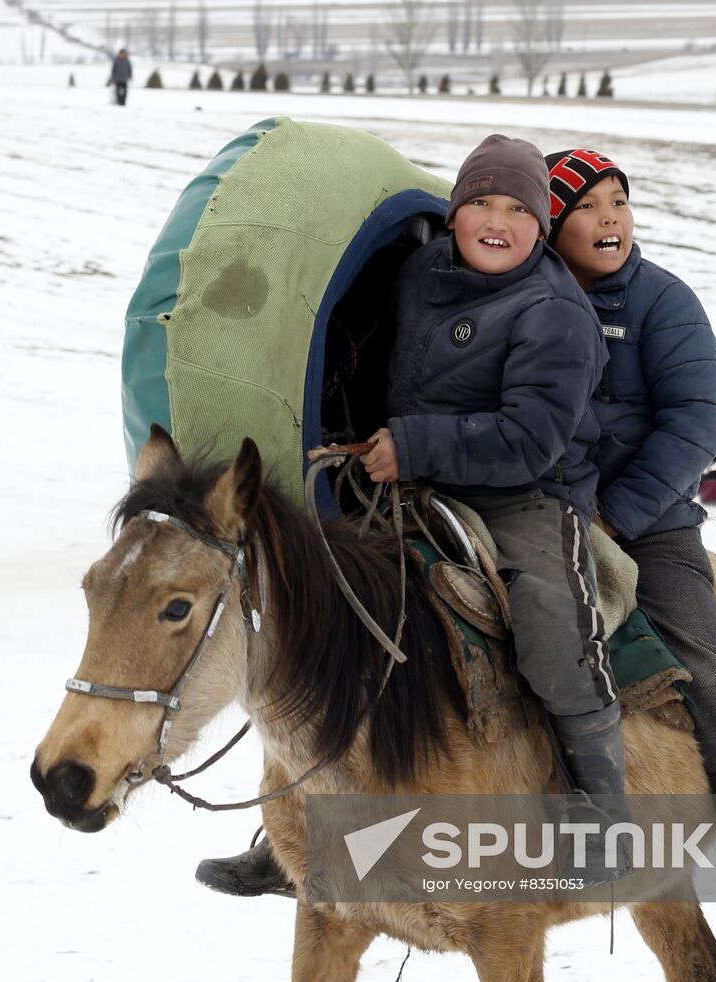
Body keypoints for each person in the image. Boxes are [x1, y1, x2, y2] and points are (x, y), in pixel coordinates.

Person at [197, 134, 631, 896]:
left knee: (550, 632)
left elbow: (530, 441)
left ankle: (601, 816)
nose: (496, 221)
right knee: (315, 619)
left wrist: (413, 445)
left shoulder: (555, 313)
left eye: (516, 209)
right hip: (408, 476)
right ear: (453, 212)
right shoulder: (422, 270)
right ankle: (288, 826)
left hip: (523, 493)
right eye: (478, 204)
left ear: (540, 223)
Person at [543, 145, 716, 957]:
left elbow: (697, 422)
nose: (609, 220)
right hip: (535, 510)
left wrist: (618, 513)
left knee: (709, 671)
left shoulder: (663, 301)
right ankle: (317, 837)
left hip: (649, 521)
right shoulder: (530, 297)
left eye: (618, 204)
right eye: (587, 207)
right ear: (552, 225)